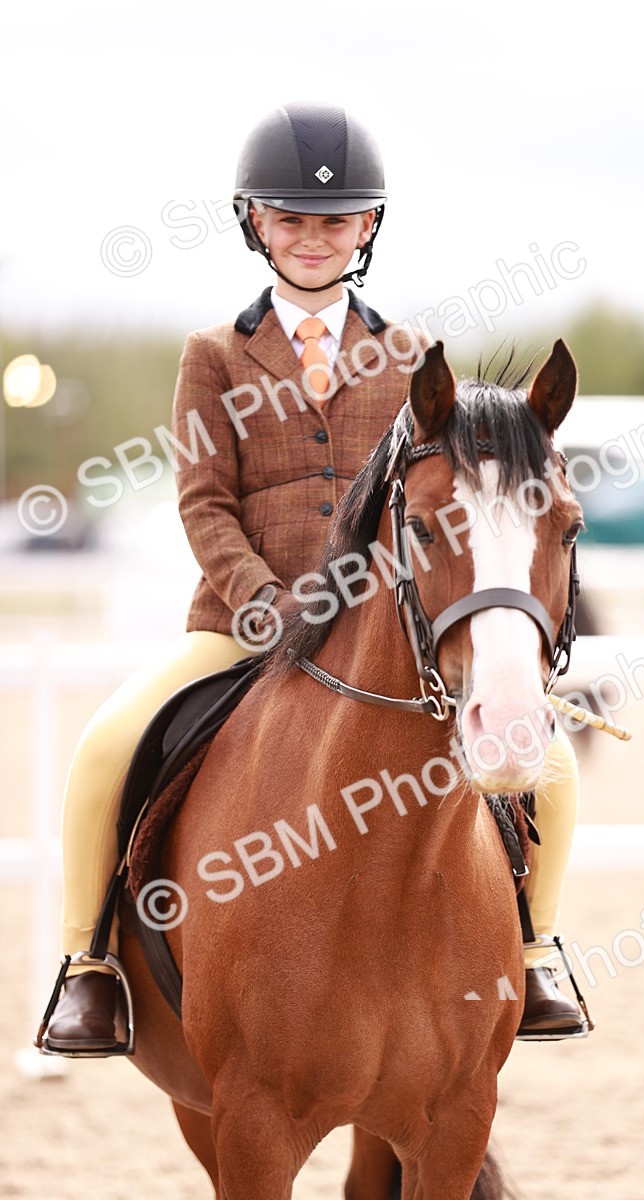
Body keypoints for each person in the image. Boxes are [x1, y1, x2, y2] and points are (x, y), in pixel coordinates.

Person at [42, 102, 587, 1054]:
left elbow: (447, 509)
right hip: (239, 622)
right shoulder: (213, 357)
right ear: (255, 222)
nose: (312, 238)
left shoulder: (417, 360)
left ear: (367, 227)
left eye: (333, 221)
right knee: (106, 744)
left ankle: (534, 950)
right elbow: (204, 502)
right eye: (291, 219)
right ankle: (87, 966)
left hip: (386, 632)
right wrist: (263, 602)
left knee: (555, 763)